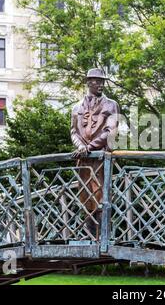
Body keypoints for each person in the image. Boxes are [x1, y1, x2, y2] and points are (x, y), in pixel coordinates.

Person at [70, 68, 119, 239]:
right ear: (88, 82)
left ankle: (103, 237)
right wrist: (80, 147)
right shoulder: (77, 107)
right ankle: (90, 236)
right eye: (97, 81)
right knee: (85, 196)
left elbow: (111, 131)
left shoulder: (111, 105)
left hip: (99, 157)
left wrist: (89, 147)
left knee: (101, 196)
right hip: (83, 159)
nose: (100, 84)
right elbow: (73, 131)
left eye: (102, 81)